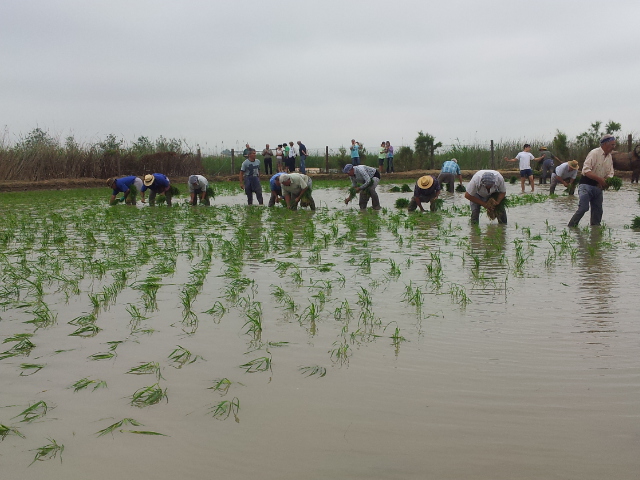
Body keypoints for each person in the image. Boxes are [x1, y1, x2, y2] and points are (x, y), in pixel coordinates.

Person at [568, 135, 616, 227]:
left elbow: (610, 173)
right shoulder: (594, 153)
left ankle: (595, 233)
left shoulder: (609, 157)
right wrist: (600, 179)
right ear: (605, 144)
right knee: (584, 208)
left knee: (598, 211)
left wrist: (607, 181)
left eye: (614, 145)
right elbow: (586, 171)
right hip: (586, 185)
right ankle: (571, 227)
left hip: (598, 187)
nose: (614, 147)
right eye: (612, 145)